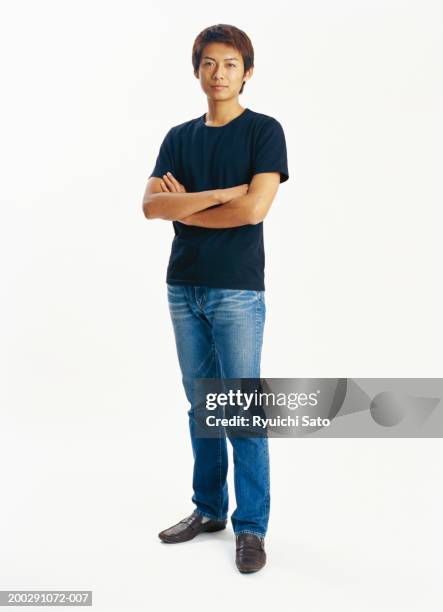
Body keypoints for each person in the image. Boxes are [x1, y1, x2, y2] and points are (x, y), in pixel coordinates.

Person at [142, 23, 289, 573]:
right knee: (202, 407)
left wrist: (189, 205)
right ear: (197, 70)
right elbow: (151, 207)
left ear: (246, 72)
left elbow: (255, 210)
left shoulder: (264, 132)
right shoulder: (179, 137)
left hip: (236, 290)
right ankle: (208, 511)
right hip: (183, 287)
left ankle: (251, 527)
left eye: (230, 64)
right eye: (209, 63)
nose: (219, 73)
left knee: (243, 411)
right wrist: (221, 193)